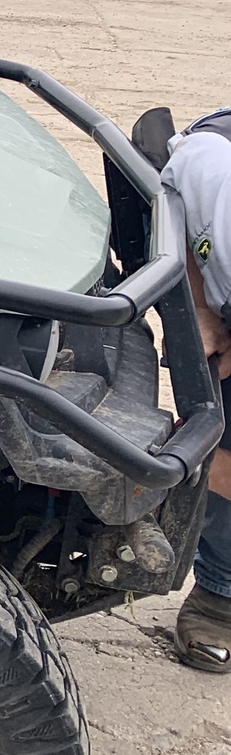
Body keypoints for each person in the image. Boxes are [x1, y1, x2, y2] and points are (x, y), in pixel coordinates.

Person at [160, 107, 231, 672]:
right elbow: (172, 200)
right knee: (224, 447)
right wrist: (201, 308)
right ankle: (221, 592)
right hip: (219, 271)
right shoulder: (211, 166)